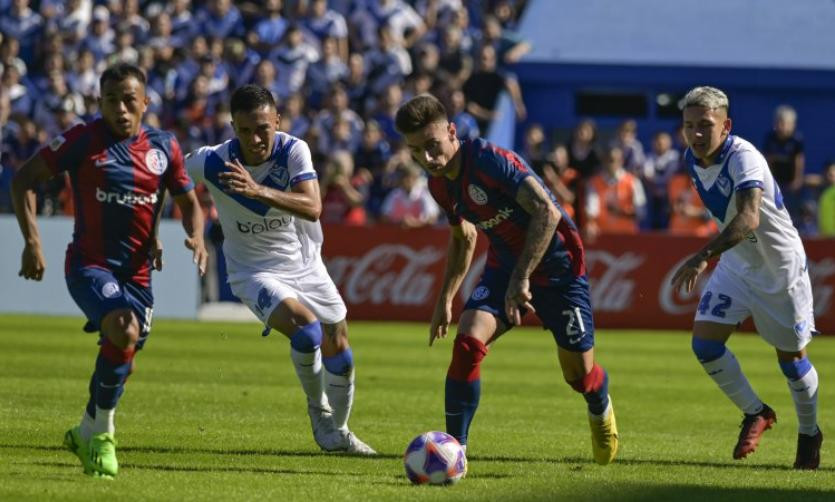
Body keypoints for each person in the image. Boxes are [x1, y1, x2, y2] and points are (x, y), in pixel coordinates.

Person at [394, 94, 618, 465]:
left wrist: (522, 278)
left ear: (452, 132)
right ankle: (455, 451)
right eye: (417, 150)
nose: (427, 158)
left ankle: (599, 403)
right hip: (504, 268)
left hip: (559, 268)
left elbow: (546, 212)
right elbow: (464, 237)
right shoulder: (439, 185)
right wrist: (445, 298)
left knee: (579, 376)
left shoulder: (489, 161)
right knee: (468, 342)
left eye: (432, 146)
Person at [10, 63, 209, 479]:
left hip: (138, 276)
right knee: (124, 328)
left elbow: (187, 202)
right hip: (89, 264)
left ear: (146, 103)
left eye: (128, 100)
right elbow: (24, 178)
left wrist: (196, 237)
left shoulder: (164, 147)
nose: (120, 109)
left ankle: (85, 429)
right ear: (99, 103)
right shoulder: (83, 139)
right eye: (110, 100)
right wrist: (31, 242)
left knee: (123, 357)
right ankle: (103, 437)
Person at [184, 84, 375, 455]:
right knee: (307, 331)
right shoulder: (211, 161)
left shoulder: (293, 150)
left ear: (277, 120)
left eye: (262, 128)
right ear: (232, 127)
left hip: (305, 263)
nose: (255, 138)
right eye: (245, 130)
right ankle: (319, 414)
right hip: (252, 270)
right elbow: (173, 182)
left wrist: (257, 191)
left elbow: (313, 206)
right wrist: (193, 228)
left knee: (341, 347)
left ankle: (340, 431)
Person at [671, 86, 822, 470]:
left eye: (706, 125)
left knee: (791, 361)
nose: (697, 134)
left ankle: (809, 433)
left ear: (727, 125)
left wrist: (704, 255)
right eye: (690, 126)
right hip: (738, 264)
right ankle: (756, 412)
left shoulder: (745, 157)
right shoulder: (691, 158)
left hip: (779, 270)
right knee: (705, 346)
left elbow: (749, 217)